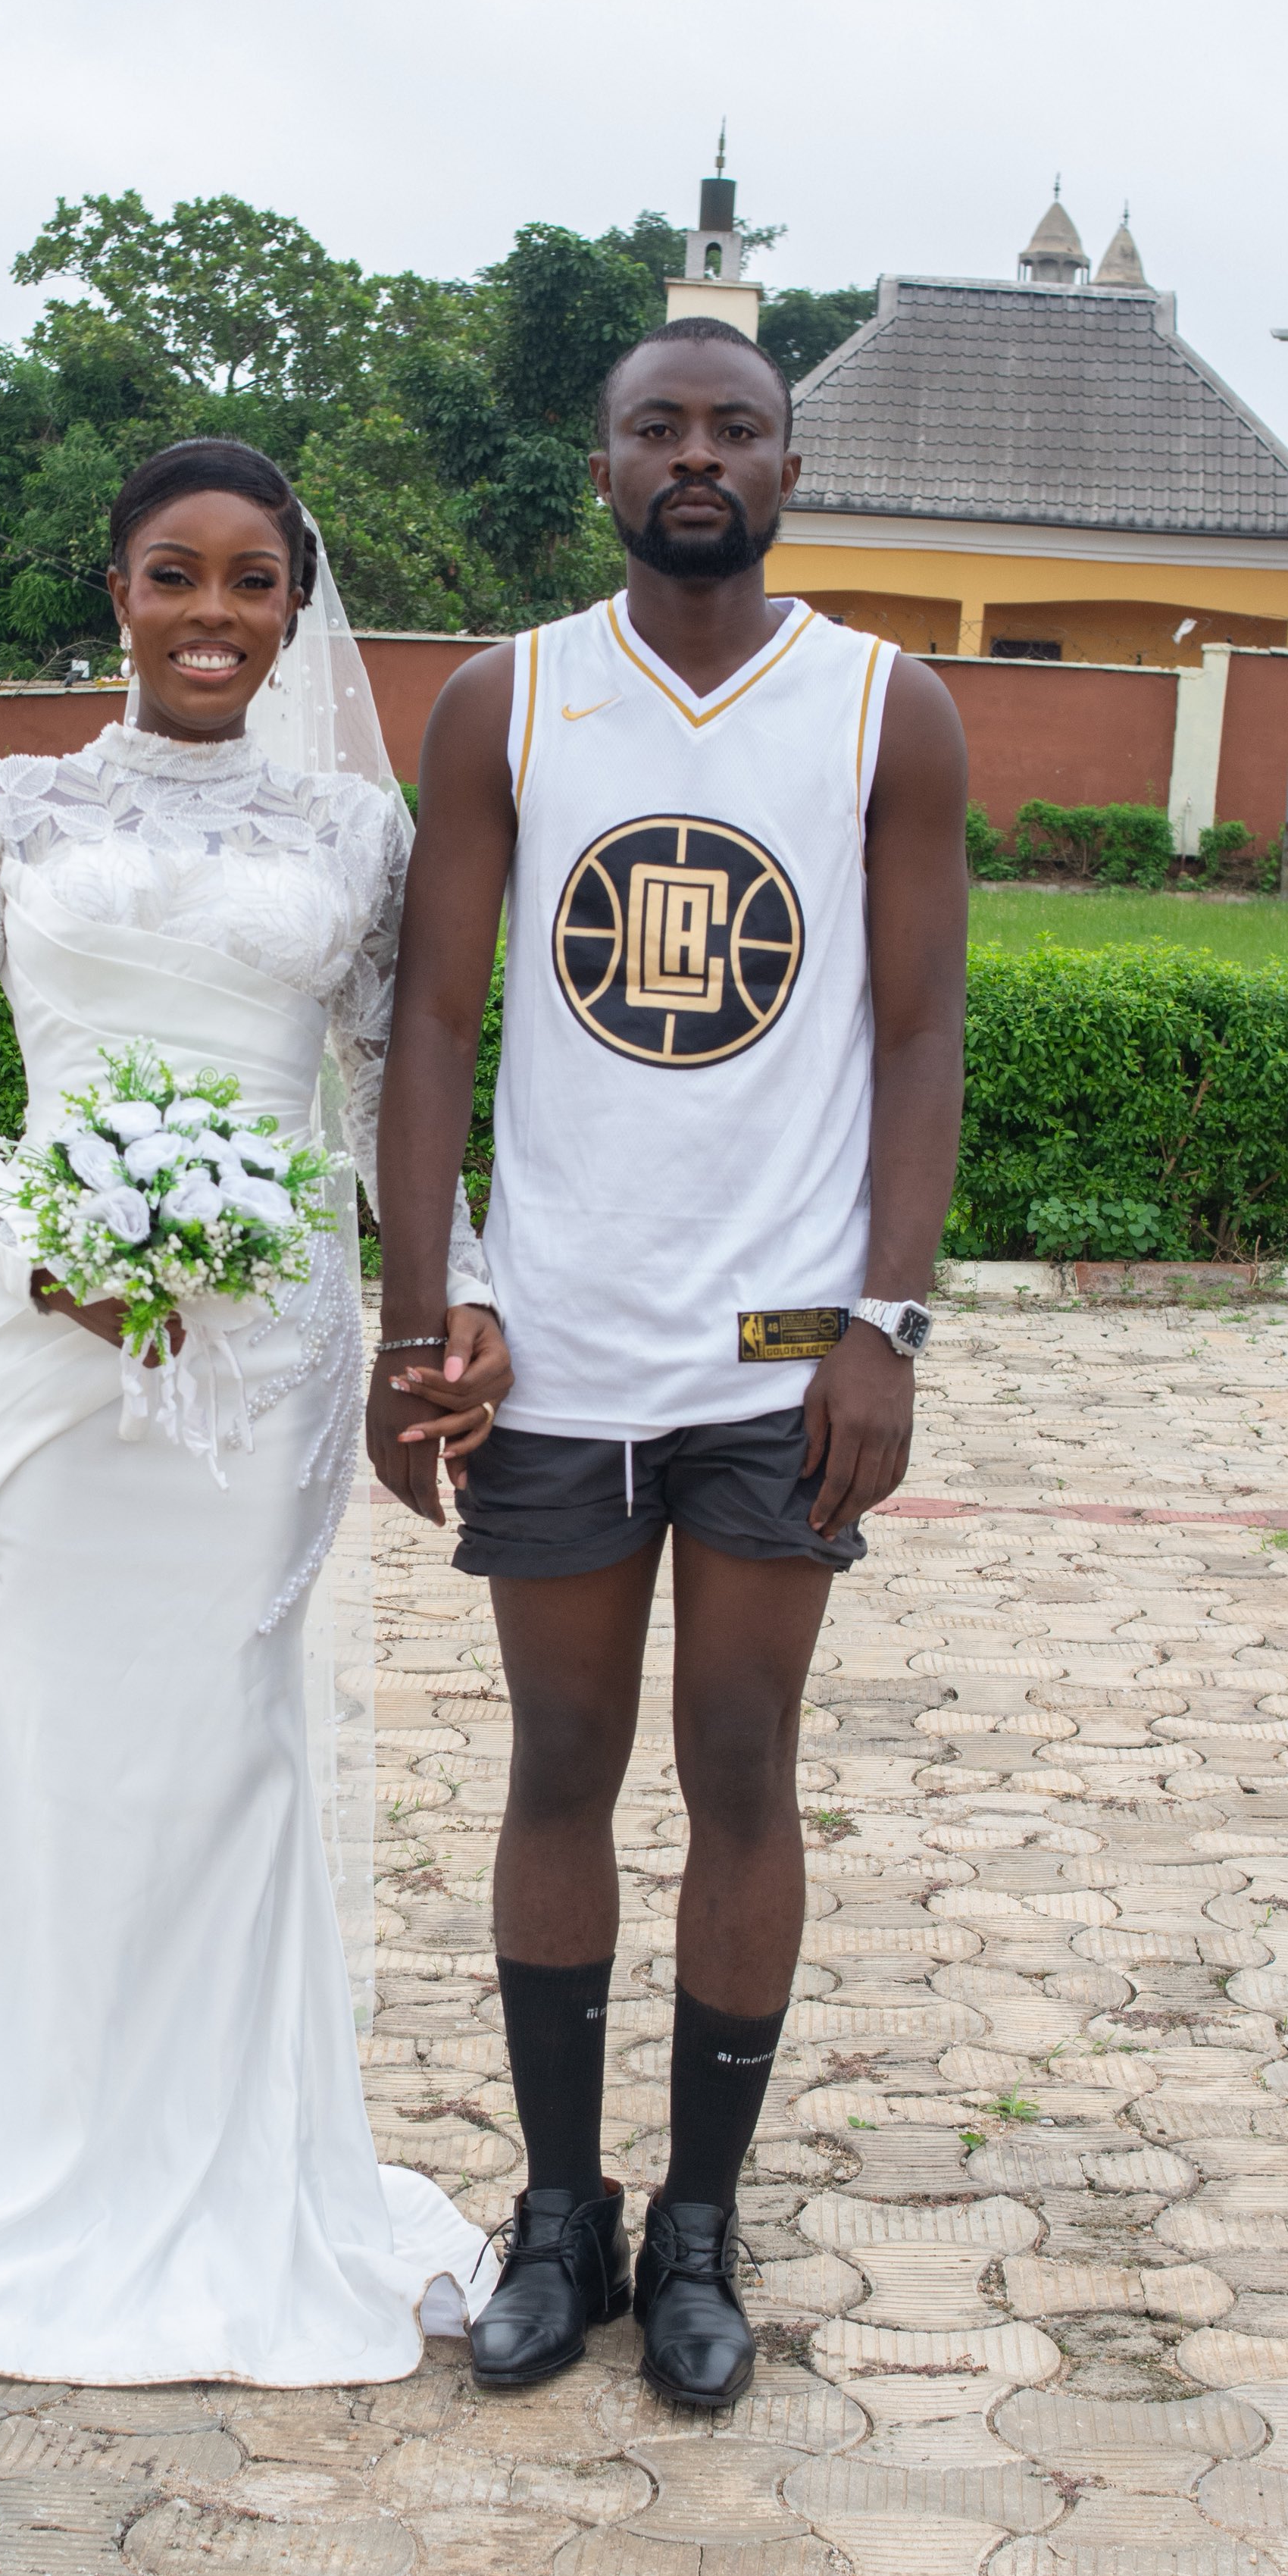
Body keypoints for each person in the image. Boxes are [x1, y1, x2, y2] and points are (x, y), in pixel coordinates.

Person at [0, 439, 511, 2387]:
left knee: (217, 1736)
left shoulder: (360, 832)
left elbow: (383, 1104)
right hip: (47, 1343)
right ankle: (0, 2147)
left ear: (292, 608)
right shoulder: (8, 808)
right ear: (117, 590)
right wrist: (41, 1247)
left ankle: (221, 2174)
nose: (212, 615)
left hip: (261, 1363)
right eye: (175, 574)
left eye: (253, 581)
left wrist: (463, 1299)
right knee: (45, 1709)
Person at [370, 318, 968, 2409]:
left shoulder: (884, 708)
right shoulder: (503, 700)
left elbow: (913, 1035)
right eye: (657, 426)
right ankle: (562, 2212)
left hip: (778, 1345)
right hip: (552, 1342)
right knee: (556, 1766)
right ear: (600, 463)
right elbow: (434, 1024)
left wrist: (884, 1325)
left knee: (737, 1764)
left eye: (733, 426)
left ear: (789, 465)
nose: (695, 454)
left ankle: (700, 2221)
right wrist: (409, 1311)